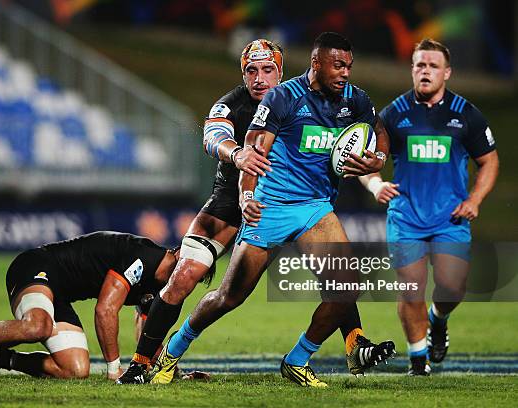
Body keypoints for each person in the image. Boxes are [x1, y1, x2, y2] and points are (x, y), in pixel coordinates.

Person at [147, 32, 395, 387]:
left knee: (345, 288)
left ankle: (297, 360)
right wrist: (247, 197)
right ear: (316, 64)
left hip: (315, 208)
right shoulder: (284, 97)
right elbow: (253, 149)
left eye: (349, 66)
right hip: (271, 208)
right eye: (337, 65)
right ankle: (172, 351)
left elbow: (379, 129)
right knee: (228, 298)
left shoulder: (354, 100)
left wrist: (379, 157)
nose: (345, 73)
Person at [117, 38, 281, 384]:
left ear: (281, 72)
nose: (259, 78)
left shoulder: (299, 102)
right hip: (227, 203)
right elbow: (211, 137)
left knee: (325, 263)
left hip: (281, 204)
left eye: (268, 70)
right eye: (251, 70)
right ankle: (142, 363)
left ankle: (354, 340)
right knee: (184, 277)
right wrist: (236, 153)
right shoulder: (230, 105)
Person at [359, 39, 499, 375]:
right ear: (412, 70)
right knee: (411, 289)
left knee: (452, 288)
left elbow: (489, 161)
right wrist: (375, 183)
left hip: (450, 218)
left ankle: (438, 319)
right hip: (405, 218)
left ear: (446, 72)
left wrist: (474, 200)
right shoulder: (392, 115)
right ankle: (418, 361)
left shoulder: (466, 114)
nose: (425, 71)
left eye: (432, 66)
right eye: (419, 65)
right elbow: (366, 160)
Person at [0, 231, 181, 380]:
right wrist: (114, 369)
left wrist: (169, 369)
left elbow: (148, 331)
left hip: (60, 296)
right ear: (180, 255)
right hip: (38, 266)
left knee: (75, 370)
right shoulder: (144, 257)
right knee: (38, 326)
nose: (192, 279)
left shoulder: (161, 282)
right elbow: (105, 310)